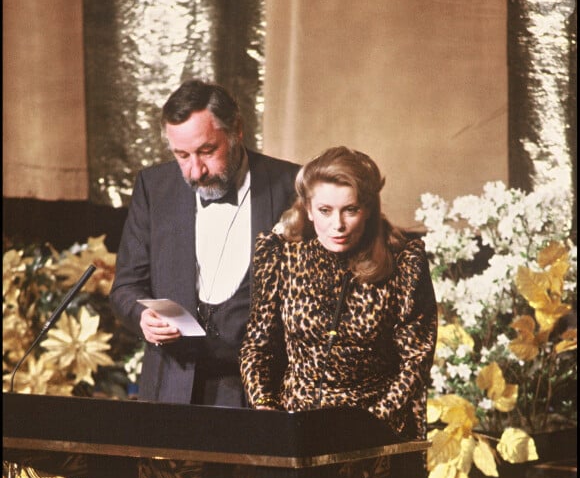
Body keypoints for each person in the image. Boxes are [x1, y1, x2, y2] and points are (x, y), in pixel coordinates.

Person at [110, 78, 299, 406]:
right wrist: (143, 318)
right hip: (171, 389)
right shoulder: (154, 187)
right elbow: (126, 287)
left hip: (261, 394)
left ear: (236, 130)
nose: (195, 171)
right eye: (181, 155)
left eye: (207, 151)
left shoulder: (290, 186)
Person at [239, 145, 438, 442]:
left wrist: (372, 424)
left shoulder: (404, 263)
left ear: (368, 209)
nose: (338, 225)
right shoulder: (281, 255)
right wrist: (265, 407)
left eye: (351, 210)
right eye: (325, 211)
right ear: (308, 208)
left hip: (375, 434)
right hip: (296, 432)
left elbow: (416, 361)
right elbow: (257, 346)